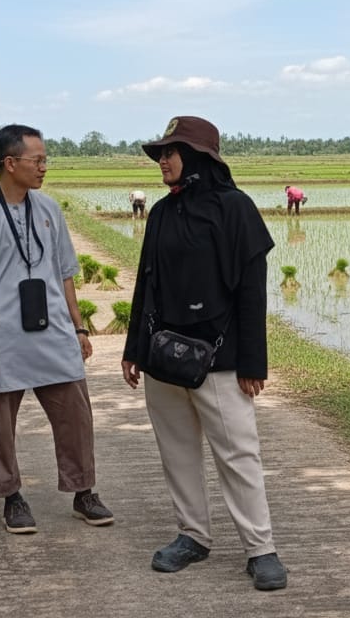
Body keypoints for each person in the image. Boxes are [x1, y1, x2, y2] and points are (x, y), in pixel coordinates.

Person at [122, 116, 288, 592]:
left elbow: (252, 292)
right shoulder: (160, 214)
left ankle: (261, 549)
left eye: (172, 153)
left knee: (238, 455)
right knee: (177, 452)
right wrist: (134, 349)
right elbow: (146, 284)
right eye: (161, 155)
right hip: (163, 357)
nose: (163, 162)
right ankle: (193, 536)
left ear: (198, 158)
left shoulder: (234, 209)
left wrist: (254, 361)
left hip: (221, 360)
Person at [0, 124, 113, 535]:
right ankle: (11, 496)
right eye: (37, 160)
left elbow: (66, 274)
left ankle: (83, 491)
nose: (43, 168)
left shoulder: (49, 210)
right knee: (0, 421)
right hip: (2, 335)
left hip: (54, 331)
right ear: (9, 163)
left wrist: (78, 328)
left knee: (75, 413)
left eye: (44, 160)